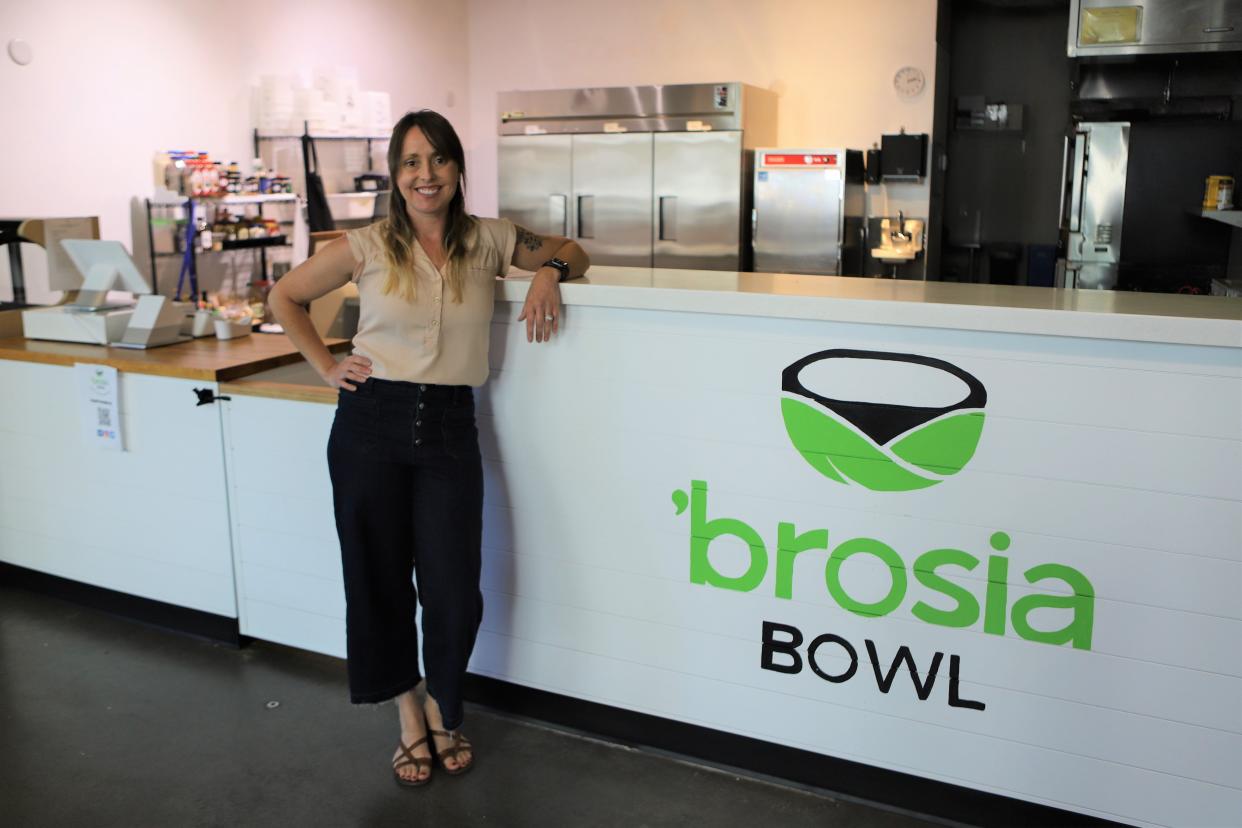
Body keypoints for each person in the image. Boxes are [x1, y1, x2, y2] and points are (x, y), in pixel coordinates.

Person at [268, 109, 589, 787]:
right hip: (370, 426)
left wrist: (547, 273)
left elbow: (573, 248)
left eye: (438, 160)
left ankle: (446, 702)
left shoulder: (492, 240)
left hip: (448, 427)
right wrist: (328, 367)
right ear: (395, 172)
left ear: (456, 169)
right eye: (411, 162)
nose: (425, 175)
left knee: (451, 589)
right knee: (378, 581)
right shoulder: (366, 245)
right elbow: (286, 295)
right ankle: (409, 715)